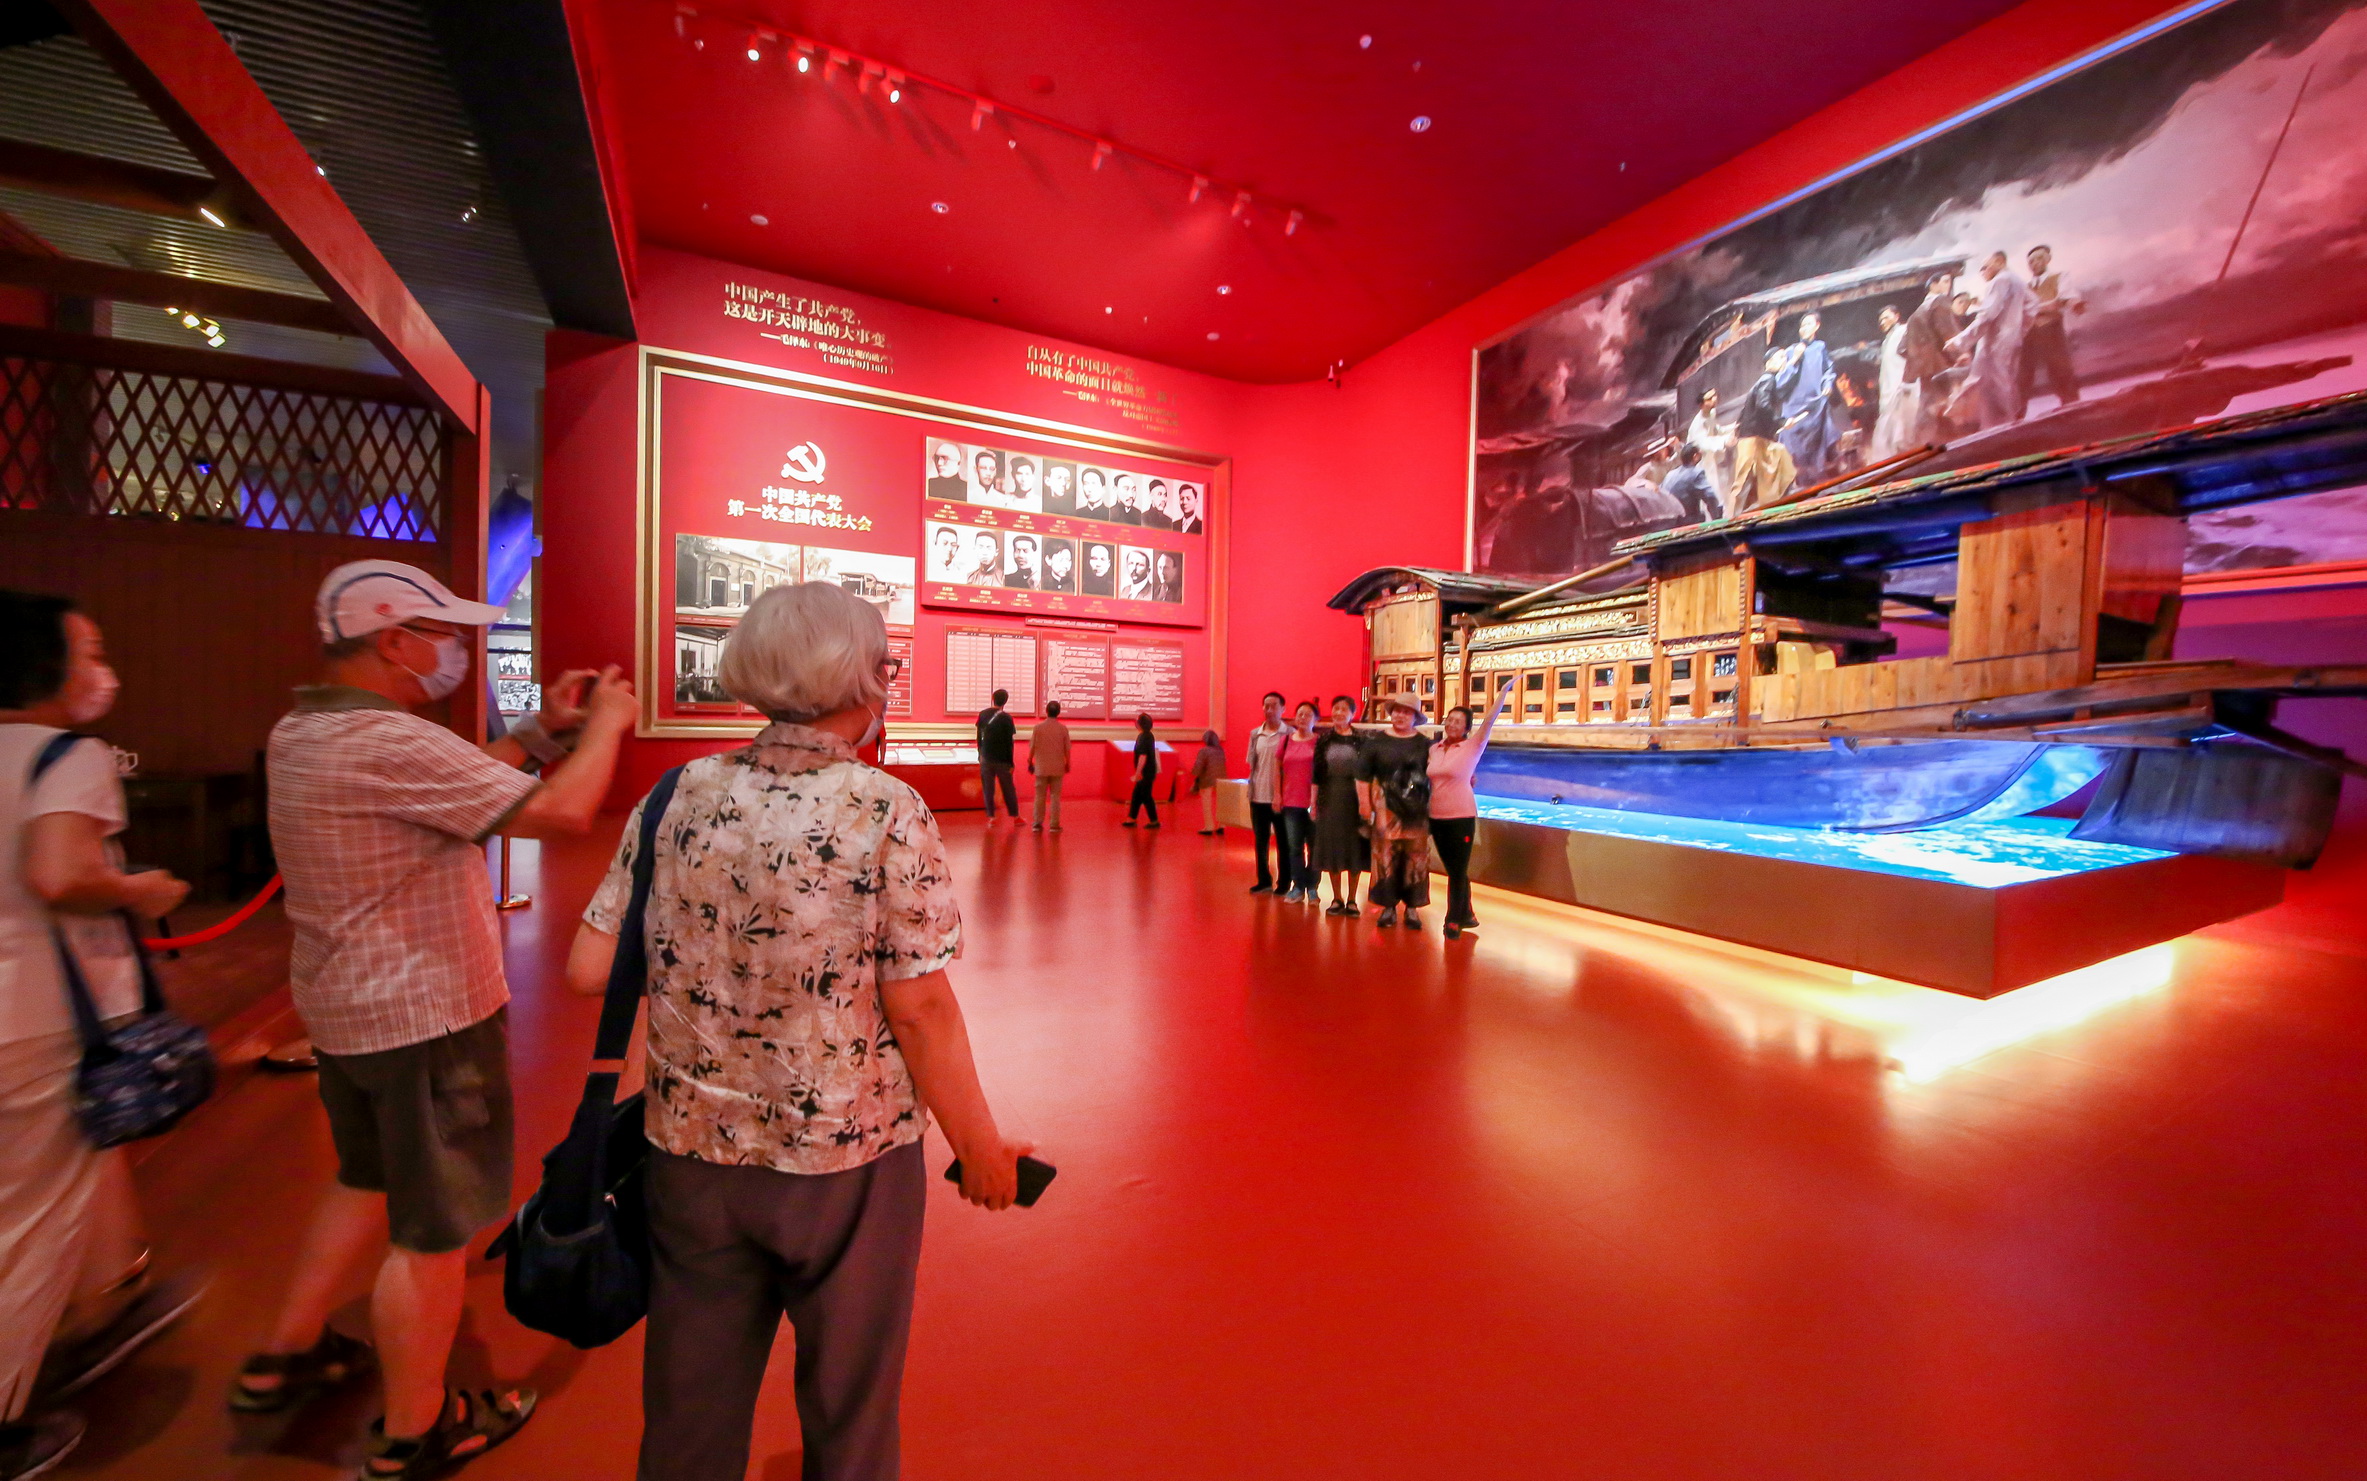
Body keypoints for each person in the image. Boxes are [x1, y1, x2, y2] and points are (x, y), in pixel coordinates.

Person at [565, 581, 1031, 1481]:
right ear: (865, 678)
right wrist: (980, 1146)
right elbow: (919, 1006)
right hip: (845, 1159)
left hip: (689, 1148)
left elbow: (590, 967)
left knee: (689, 1407)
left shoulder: (676, 794)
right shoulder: (884, 807)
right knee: (850, 1404)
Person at [241, 559, 635, 1479]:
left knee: (365, 1176)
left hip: (349, 1009)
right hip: (424, 1017)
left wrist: (541, 731)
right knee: (435, 1230)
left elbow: (457, 787)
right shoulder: (388, 737)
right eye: (438, 635)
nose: (451, 650)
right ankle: (414, 1431)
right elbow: (566, 812)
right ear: (392, 640)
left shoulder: (307, 728)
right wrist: (608, 727)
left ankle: (284, 1351)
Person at [1, 592, 201, 1481]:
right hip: (32, 1017)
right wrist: (140, 889)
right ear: (42, 666)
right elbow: (58, 873)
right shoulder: (66, 754)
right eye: (88, 653)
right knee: (29, 1222)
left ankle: (104, 1302)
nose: (100, 671)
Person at [1428, 679, 1512, 939]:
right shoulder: (1434, 749)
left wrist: (1503, 692)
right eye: (1449, 719)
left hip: (1460, 816)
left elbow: (1489, 722)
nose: (1452, 724)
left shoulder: (1472, 746)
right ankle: (1467, 913)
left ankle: (1453, 919)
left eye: (1458, 721)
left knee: (1457, 869)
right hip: (1435, 816)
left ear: (1466, 728)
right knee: (1454, 868)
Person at [1358, 696, 1433, 930]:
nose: (1401, 716)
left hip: (1417, 814)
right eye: (1397, 711)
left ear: (1415, 717)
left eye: (1407, 712)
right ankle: (1388, 907)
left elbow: (1441, 770)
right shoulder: (1375, 742)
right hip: (1385, 812)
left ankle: (1412, 908)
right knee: (1384, 858)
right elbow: (1362, 776)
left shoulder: (1425, 744)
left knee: (1417, 859)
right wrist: (1364, 804)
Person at [1948, 251, 2033, 432]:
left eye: (1985, 267)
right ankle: (2010, 423)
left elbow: (1987, 316)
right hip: (2010, 340)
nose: (1983, 272)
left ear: (2000, 262)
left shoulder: (1999, 281)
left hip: (1995, 342)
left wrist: (1960, 340)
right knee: (2005, 381)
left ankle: (2003, 427)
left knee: (1994, 385)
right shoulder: (2017, 281)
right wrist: (2019, 331)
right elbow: (2032, 306)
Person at [1310, 696, 1367, 916]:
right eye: (1336, 708)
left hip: (1355, 799)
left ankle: (1352, 899)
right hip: (1329, 798)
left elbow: (1368, 774)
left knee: (1354, 848)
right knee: (1332, 847)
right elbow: (1316, 774)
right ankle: (1336, 898)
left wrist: (1367, 803)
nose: (1339, 713)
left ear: (1352, 714)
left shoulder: (1361, 739)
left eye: (1344, 709)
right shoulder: (1324, 740)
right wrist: (1313, 803)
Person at [1729, 348, 1797, 512]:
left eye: (1785, 357)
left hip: (1757, 437)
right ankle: (1732, 518)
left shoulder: (1764, 381)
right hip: (1754, 439)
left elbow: (1748, 410)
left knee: (1774, 467)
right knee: (1744, 479)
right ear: (1769, 362)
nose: (1784, 360)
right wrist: (1781, 421)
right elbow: (1763, 405)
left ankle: (1767, 509)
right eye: (1780, 357)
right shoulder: (1768, 380)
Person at [1901, 270, 1963, 445]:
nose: (1948, 285)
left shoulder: (1918, 312)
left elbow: (1902, 347)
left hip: (1924, 368)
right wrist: (1961, 353)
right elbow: (1947, 331)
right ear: (1934, 285)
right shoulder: (1940, 301)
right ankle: (1947, 437)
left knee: (1928, 402)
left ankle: (1923, 439)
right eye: (1945, 281)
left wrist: (1919, 359)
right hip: (1939, 363)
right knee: (1945, 400)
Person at [1777, 312, 1839, 484]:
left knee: (1817, 447)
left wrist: (1827, 384)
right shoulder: (1790, 351)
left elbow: (1828, 370)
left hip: (1815, 406)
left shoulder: (1820, 348)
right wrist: (1795, 359)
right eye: (1802, 325)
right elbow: (1779, 382)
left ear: (1817, 326)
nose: (1804, 329)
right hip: (1794, 407)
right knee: (1794, 449)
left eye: (1808, 324)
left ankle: (1820, 482)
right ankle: (1799, 484)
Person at [2020, 244, 2083, 412]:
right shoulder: (2025, 287)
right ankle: (2017, 417)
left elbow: (2066, 298)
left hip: (2052, 331)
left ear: (2048, 259)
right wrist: (2048, 306)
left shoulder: (2059, 277)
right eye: (2031, 261)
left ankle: (2073, 409)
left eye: (2039, 258)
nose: (2035, 263)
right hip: (2030, 335)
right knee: (2023, 377)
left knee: (2061, 372)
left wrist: (2071, 303)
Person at [1276, 702, 1320, 903]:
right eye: (1300, 714)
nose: (1303, 718)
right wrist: (1277, 795)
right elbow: (1277, 769)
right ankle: (1298, 886)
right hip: (1290, 801)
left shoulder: (1319, 743)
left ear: (1315, 720)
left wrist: (1316, 801)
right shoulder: (1285, 741)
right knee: (1294, 847)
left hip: (1314, 802)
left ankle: (1313, 887)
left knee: (1314, 847)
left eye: (1308, 715)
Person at [1243, 692, 1287, 893]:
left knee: (1283, 842)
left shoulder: (1289, 734)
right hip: (1258, 796)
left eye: (1274, 706)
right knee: (1260, 841)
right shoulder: (1255, 734)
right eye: (1266, 706)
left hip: (1281, 797)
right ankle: (1264, 880)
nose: (1269, 710)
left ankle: (1284, 882)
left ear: (1283, 708)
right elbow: (1252, 763)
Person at [1868, 304, 1919, 460]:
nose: (1883, 322)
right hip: (1889, 390)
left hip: (1903, 386)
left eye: (1886, 317)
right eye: (1881, 320)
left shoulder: (1904, 331)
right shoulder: (1886, 341)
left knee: (1904, 426)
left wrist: (1908, 380)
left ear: (1896, 316)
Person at [974, 689, 1017, 823]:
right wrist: (1011, 762)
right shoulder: (1007, 718)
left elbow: (979, 736)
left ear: (993, 698)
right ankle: (1015, 815)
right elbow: (1009, 742)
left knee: (988, 787)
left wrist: (980, 753)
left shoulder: (983, 714)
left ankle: (991, 816)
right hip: (1002, 759)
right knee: (1008, 787)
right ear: (1005, 701)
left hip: (986, 756)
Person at [1684, 389, 1733, 506]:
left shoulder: (1711, 413)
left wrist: (1733, 427)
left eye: (1714, 396)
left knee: (1723, 487)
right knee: (1712, 490)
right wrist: (1724, 441)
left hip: (1714, 458)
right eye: (1709, 399)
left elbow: (1717, 430)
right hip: (1703, 462)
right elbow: (1704, 442)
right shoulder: (1697, 424)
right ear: (1701, 405)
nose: (1714, 400)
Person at [1029, 701, 1069, 833]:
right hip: (1057, 767)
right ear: (1058, 712)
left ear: (1046, 711)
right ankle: (1054, 824)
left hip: (1041, 767)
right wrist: (1068, 763)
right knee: (1055, 796)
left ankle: (1037, 822)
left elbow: (1032, 746)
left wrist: (1030, 761)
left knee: (1039, 796)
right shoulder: (1063, 729)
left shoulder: (1038, 728)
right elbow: (1067, 749)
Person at [1661, 443, 1719, 524]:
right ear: (1695, 456)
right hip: (1687, 521)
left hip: (1669, 521)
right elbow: (1710, 497)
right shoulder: (1696, 473)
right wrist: (1717, 519)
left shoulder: (1670, 474)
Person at [1121, 713, 1160, 828]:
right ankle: (1131, 818)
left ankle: (1154, 820)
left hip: (1145, 773)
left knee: (1145, 795)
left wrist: (1138, 773)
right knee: (1137, 795)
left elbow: (1143, 756)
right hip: (1148, 771)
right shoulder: (1148, 735)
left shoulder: (1143, 737)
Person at [1190, 730, 1227, 835]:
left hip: (1207, 780)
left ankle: (1209, 826)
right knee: (1221, 804)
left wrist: (1193, 774)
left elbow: (1198, 766)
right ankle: (1221, 825)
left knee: (1207, 804)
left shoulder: (1204, 751)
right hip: (1221, 779)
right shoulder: (1220, 750)